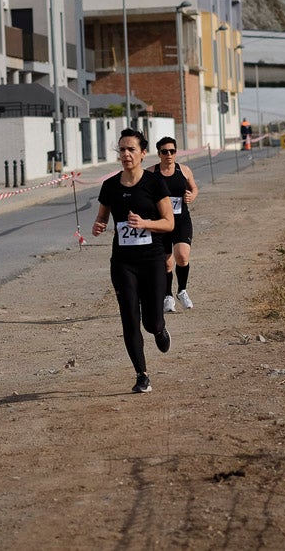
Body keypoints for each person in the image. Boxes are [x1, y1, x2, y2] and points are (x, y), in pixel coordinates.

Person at [92, 129, 174, 394]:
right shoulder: (110, 186)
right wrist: (99, 224)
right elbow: (103, 216)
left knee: (152, 321)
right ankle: (142, 375)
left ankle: (160, 330)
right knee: (129, 316)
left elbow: (169, 222)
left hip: (152, 259)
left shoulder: (154, 183)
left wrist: (145, 224)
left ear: (142, 153)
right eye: (122, 150)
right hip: (123, 262)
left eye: (131, 150)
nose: (126, 154)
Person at [152, 137, 199, 312]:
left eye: (172, 151)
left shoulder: (184, 170)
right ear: (159, 154)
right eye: (165, 152)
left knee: (182, 256)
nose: (169, 155)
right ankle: (167, 296)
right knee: (166, 263)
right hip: (162, 222)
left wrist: (192, 196)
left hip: (181, 221)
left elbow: (194, 188)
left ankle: (182, 291)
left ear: (176, 152)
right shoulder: (151, 173)